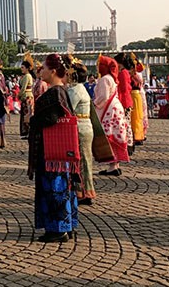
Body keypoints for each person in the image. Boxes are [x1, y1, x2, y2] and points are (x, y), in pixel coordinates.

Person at [28, 53, 79, 243]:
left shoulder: (56, 92)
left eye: (45, 68)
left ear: (54, 71)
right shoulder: (60, 90)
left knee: (55, 188)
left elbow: (52, 118)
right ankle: (66, 225)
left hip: (52, 149)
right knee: (62, 187)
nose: (41, 70)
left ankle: (58, 228)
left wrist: (33, 120)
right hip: (56, 149)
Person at [65, 56, 95, 206]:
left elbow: (67, 108)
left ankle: (83, 192)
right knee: (85, 160)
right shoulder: (80, 88)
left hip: (80, 127)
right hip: (85, 126)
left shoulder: (75, 90)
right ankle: (84, 190)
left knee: (81, 161)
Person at [94, 55, 130, 176]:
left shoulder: (104, 79)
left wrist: (94, 103)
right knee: (115, 135)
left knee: (109, 136)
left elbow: (103, 96)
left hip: (108, 109)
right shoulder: (111, 78)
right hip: (115, 107)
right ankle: (115, 164)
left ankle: (112, 165)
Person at [18, 60, 34, 139]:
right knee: (25, 114)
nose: (21, 69)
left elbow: (23, 88)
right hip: (26, 96)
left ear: (27, 68)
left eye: (23, 67)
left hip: (27, 96)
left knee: (26, 115)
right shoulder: (25, 76)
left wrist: (18, 95)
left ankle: (28, 132)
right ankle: (26, 132)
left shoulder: (27, 76)